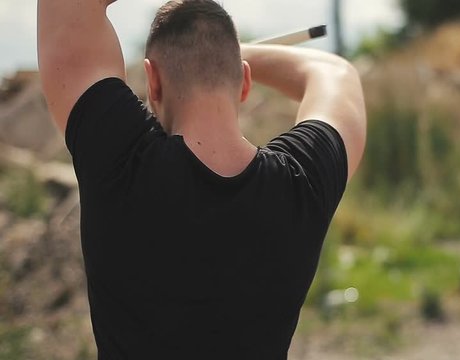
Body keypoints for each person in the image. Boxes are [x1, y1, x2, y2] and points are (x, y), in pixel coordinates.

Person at [37, 0, 366, 358]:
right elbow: (333, 73)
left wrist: (214, 55)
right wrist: (233, 55)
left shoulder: (119, 161)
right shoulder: (303, 183)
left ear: (153, 81)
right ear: (244, 84)